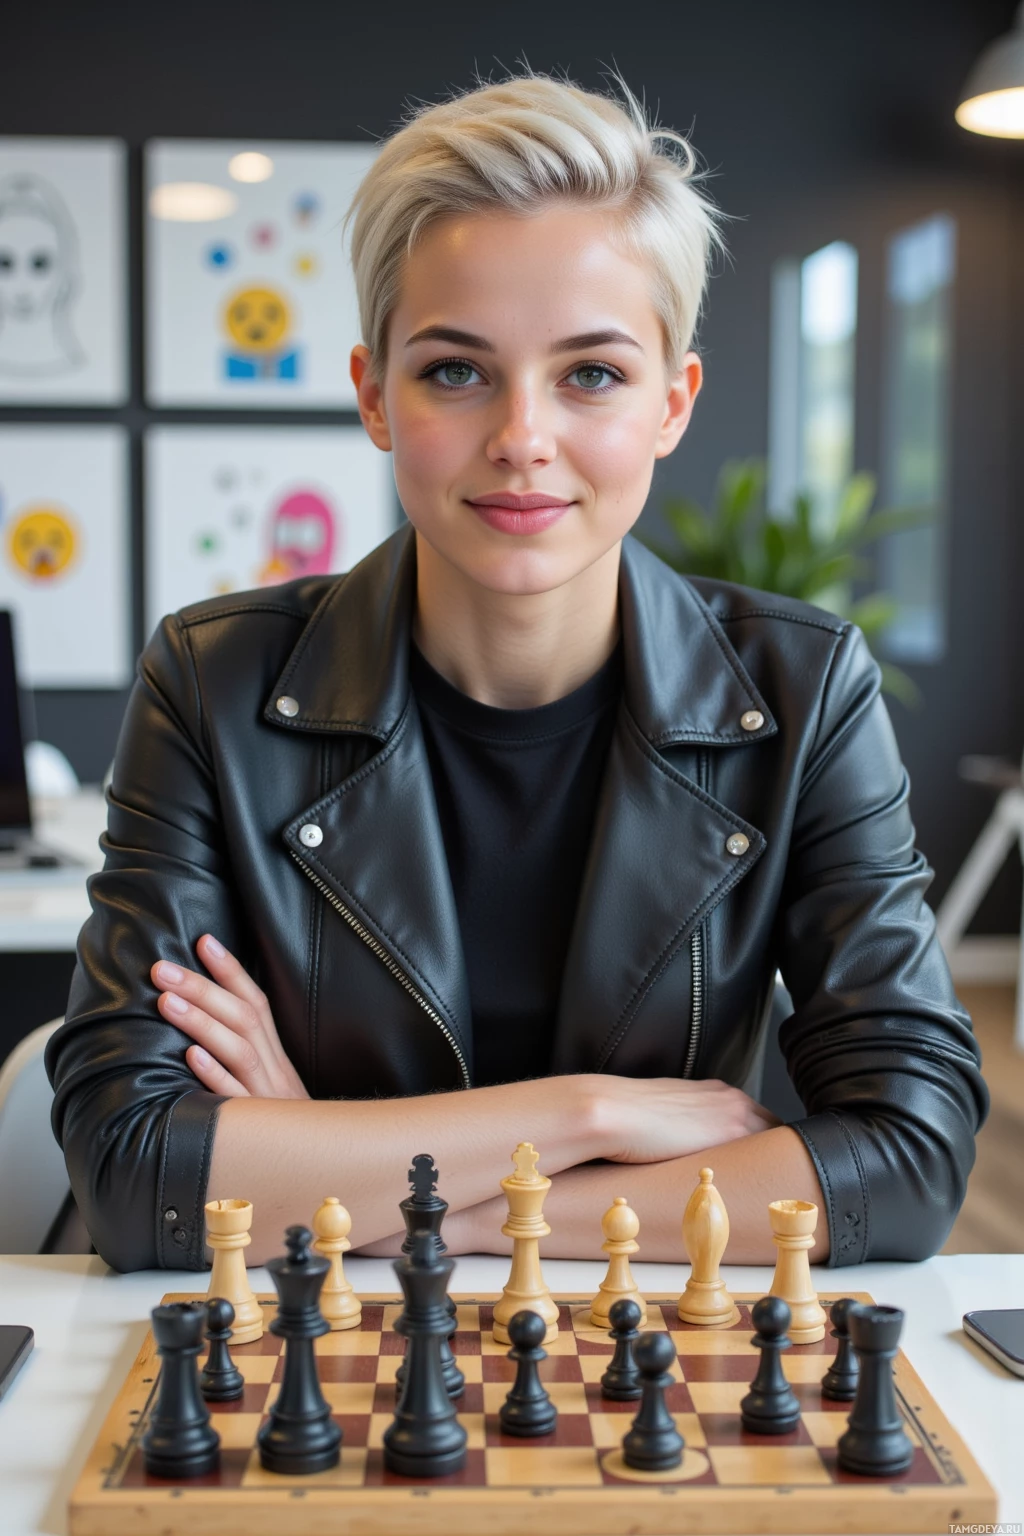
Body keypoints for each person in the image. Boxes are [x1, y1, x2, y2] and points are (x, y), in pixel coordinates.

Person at [45, 68, 988, 1274]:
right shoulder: (210, 680)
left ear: (672, 402)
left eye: (590, 373)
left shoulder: (803, 693)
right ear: (374, 396)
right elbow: (137, 1178)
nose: (522, 438)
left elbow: (907, 1162)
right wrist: (587, 1116)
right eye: (454, 369)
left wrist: (330, 1167)